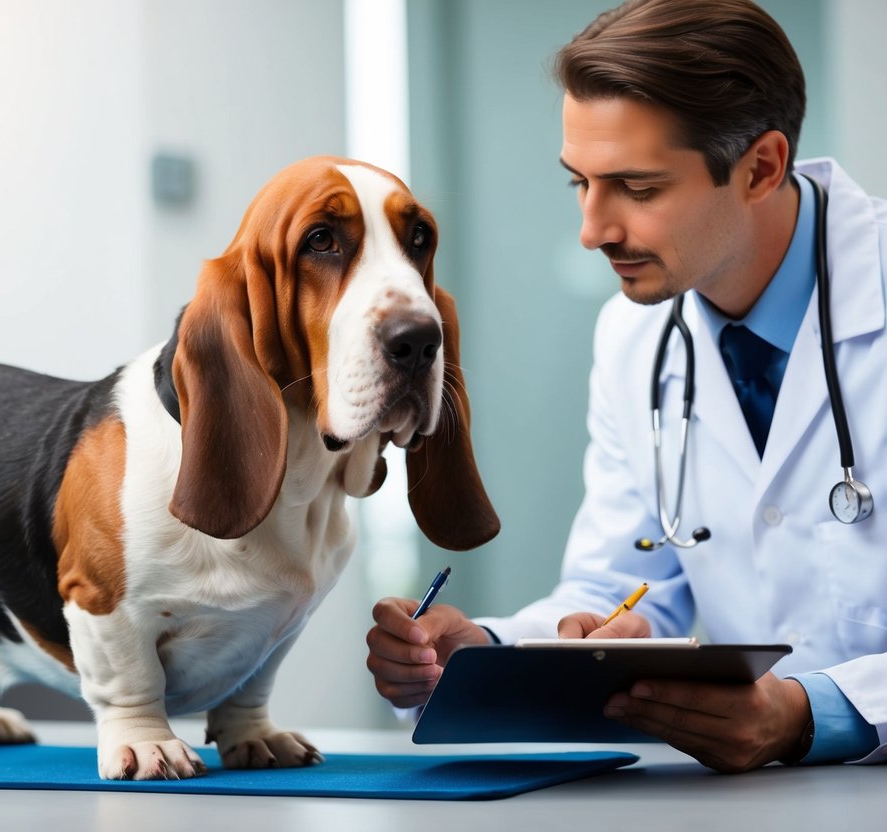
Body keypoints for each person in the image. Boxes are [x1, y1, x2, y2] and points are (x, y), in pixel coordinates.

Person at [366, 0, 886, 773]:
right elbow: (626, 586)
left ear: (760, 167)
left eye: (635, 189)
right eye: (579, 182)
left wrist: (810, 712)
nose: (592, 228)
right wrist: (485, 650)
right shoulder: (632, 336)